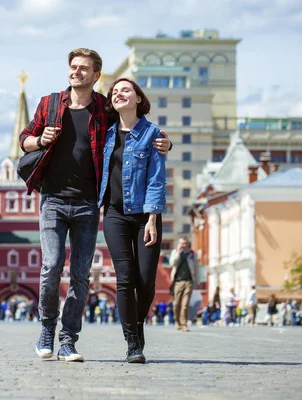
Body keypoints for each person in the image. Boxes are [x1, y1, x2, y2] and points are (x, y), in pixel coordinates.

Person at [20, 49, 171, 363]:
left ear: (95, 75)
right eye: (73, 67)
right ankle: (47, 329)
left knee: (80, 275)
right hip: (53, 199)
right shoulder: (49, 104)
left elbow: (135, 126)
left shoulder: (105, 108)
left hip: (89, 203)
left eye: (83, 68)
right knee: (51, 267)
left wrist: (164, 143)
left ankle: (68, 341)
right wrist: (41, 140)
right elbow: (25, 139)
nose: (76, 72)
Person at [99, 77, 167, 363]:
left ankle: (137, 324)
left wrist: (152, 218)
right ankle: (132, 344)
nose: (119, 94)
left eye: (125, 90)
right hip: (114, 213)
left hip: (145, 215)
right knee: (124, 280)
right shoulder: (105, 133)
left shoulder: (153, 134)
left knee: (146, 281)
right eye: (114, 92)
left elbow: (156, 178)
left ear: (139, 98)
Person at [167, 237, 199, 332]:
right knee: (176, 304)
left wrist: (196, 283)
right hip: (177, 282)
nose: (183, 245)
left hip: (188, 281)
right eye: (181, 243)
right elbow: (172, 263)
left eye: (185, 243)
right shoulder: (175, 253)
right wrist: (178, 252)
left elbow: (196, 269)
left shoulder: (192, 254)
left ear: (187, 244)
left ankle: (184, 324)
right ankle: (177, 322)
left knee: (185, 304)